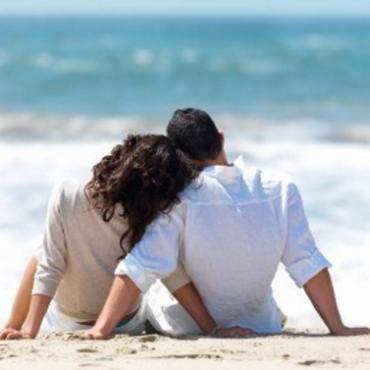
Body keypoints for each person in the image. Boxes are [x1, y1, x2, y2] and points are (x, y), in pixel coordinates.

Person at [83, 108, 369, 339]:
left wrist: (100, 329)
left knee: (158, 278)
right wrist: (338, 328)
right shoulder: (280, 187)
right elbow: (306, 261)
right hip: (261, 325)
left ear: (178, 157)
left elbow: (141, 265)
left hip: (184, 327)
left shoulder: (179, 198)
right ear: (221, 138)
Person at [0, 134, 225, 340]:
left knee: (44, 252)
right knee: (156, 262)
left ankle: (13, 325)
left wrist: (31, 330)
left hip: (67, 322)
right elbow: (173, 273)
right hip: (126, 323)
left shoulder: (66, 194)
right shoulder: (150, 213)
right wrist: (212, 328)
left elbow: (51, 267)